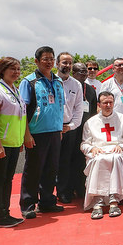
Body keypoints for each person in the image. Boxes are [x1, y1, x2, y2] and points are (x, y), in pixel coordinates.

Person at [0, 57, 33, 228]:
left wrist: (20, 139)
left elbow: (21, 117)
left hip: (13, 143)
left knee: (7, 180)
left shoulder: (15, 90)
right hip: (0, 144)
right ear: (2, 70)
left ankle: (6, 213)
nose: (16, 72)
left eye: (18, 69)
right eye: (12, 69)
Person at [19, 46, 66, 219]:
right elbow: (22, 111)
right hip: (36, 133)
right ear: (37, 61)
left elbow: (60, 107)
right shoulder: (29, 82)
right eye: (45, 59)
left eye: (51, 58)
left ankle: (47, 202)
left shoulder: (58, 81)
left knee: (51, 169)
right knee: (33, 169)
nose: (49, 62)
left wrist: (59, 128)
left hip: (54, 131)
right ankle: (28, 204)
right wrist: (26, 135)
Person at [81, 92, 123, 219]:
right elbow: (84, 143)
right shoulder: (90, 122)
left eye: (111, 102)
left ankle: (113, 200)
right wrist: (92, 148)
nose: (108, 105)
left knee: (114, 158)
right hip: (99, 151)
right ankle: (97, 202)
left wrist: (122, 146)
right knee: (99, 160)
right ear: (99, 104)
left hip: (117, 149)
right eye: (105, 103)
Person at [63, 63, 98, 201]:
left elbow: (94, 112)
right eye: (80, 72)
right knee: (66, 160)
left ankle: (81, 188)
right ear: (73, 73)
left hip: (85, 129)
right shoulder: (66, 86)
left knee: (81, 160)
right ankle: (65, 191)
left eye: (85, 72)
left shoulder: (90, 90)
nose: (83, 74)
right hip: (69, 128)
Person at [56, 52, 84, 204]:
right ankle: (46, 194)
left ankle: (63, 192)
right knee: (49, 162)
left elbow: (79, 109)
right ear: (57, 64)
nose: (67, 65)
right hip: (51, 129)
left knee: (66, 162)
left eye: (69, 63)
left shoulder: (76, 84)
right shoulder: (49, 81)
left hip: (69, 129)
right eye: (64, 62)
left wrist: (71, 126)